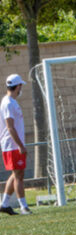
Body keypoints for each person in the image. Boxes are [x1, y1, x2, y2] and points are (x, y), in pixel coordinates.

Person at [0, 74, 30, 214]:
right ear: (17, 86)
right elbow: (10, 127)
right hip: (12, 145)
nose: (21, 88)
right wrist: (20, 145)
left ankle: (4, 204)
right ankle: (23, 206)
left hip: (14, 144)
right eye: (20, 86)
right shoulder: (8, 103)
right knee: (19, 175)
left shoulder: (11, 102)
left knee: (17, 173)